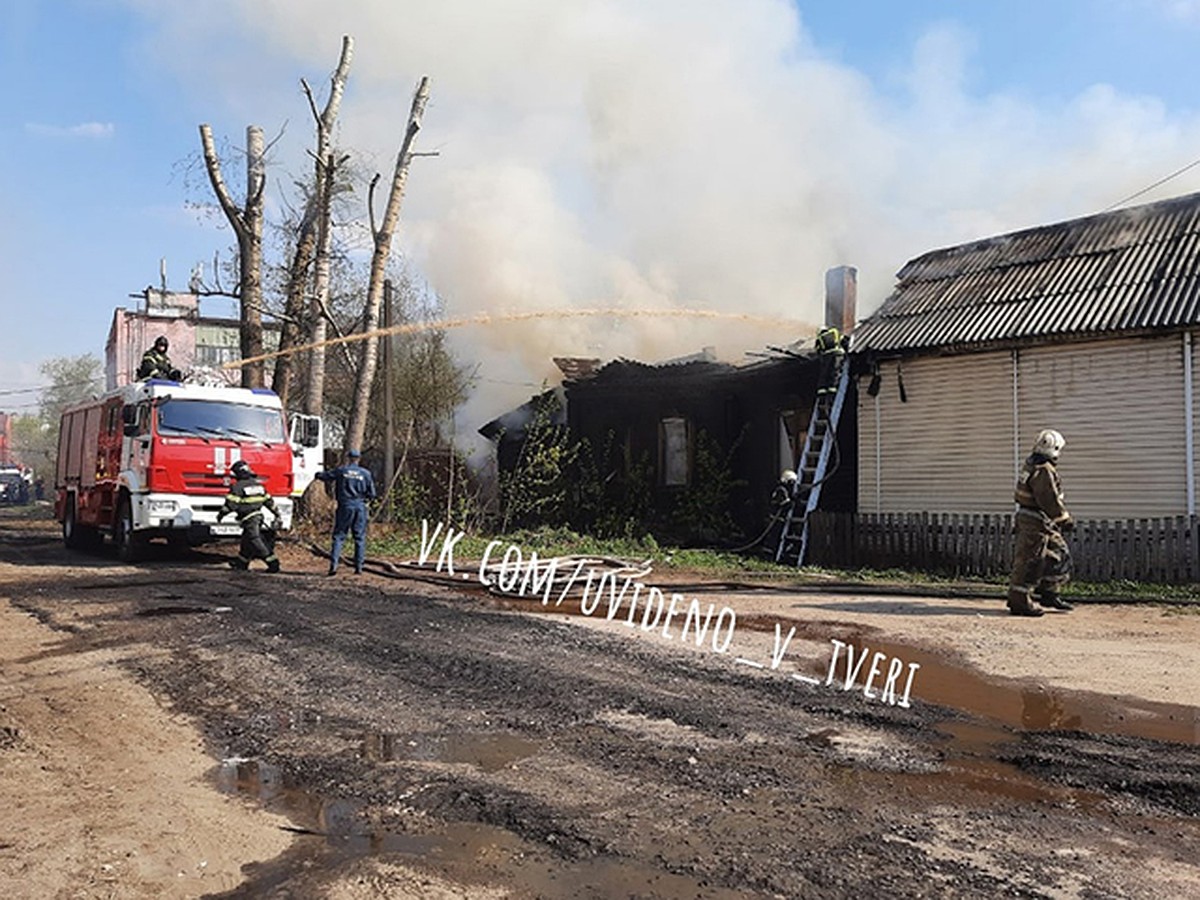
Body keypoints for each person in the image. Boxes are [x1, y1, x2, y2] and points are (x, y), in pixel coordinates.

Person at [1007, 429, 1074, 617]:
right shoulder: (1043, 469)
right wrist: (1064, 519)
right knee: (1030, 560)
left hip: (1039, 520)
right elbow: (1048, 498)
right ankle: (1019, 601)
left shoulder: (1032, 464)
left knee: (1057, 554)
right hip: (1035, 520)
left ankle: (1049, 593)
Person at [316, 449, 377, 576]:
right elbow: (372, 494)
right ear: (359, 459)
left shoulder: (341, 471)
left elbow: (325, 476)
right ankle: (359, 567)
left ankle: (333, 566)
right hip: (360, 506)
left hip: (345, 506)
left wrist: (316, 474)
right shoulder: (366, 473)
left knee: (339, 536)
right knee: (359, 537)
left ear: (348, 458)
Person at [217, 460, 281, 572]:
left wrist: (221, 515)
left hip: (249, 518)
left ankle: (272, 563)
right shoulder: (258, 485)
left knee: (255, 540)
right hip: (258, 517)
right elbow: (269, 501)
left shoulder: (237, 487)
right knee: (246, 541)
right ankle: (242, 563)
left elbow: (230, 505)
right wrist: (277, 514)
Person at [815, 326, 849, 398]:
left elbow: (818, 350)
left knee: (825, 373)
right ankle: (833, 388)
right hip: (838, 354)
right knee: (835, 371)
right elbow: (844, 341)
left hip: (827, 356)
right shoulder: (835, 332)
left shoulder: (819, 338)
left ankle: (822, 391)